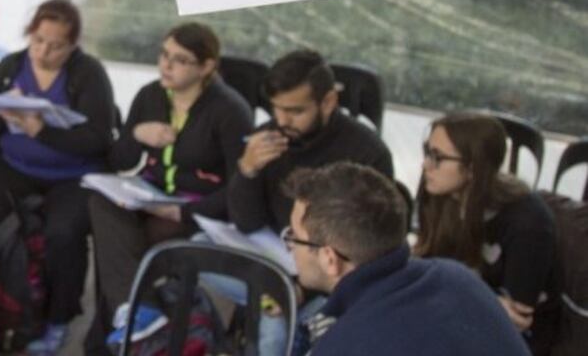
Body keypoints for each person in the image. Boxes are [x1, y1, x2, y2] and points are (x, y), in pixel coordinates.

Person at [87, 22, 252, 353]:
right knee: (99, 203)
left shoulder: (230, 110)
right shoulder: (150, 95)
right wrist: (136, 135)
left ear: (206, 67)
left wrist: (182, 210)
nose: (166, 65)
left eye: (179, 59)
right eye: (163, 54)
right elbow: (117, 161)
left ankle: (118, 330)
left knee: (122, 251)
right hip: (149, 194)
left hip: (197, 208)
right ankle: (139, 318)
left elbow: (241, 189)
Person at [0, 0, 116, 355]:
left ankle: (59, 319)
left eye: (55, 45)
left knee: (63, 234)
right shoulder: (11, 66)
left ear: (73, 45)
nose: (43, 52)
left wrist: (40, 130)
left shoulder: (88, 73)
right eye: (37, 40)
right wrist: (6, 109)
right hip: (15, 169)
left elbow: (98, 139)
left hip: (74, 175)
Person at [225, 49, 393, 355]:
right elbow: (247, 222)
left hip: (329, 279)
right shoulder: (269, 137)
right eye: (275, 109)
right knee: (192, 250)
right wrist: (247, 171)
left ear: (328, 102)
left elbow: (369, 250)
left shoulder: (367, 152)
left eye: (295, 111)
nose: (281, 120)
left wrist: (300, 286)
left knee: (275, 328)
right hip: (273, 258)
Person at [283, 162, 530, 356]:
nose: (290, 244)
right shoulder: (457, 276)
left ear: (329, 259)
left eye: (294, 236)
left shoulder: (347, 344)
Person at [415, 112, 560, 355]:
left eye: (437, 157)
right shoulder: (439, 193)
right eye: (427, 151)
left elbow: (515, 320)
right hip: (456, 312)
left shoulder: (528, 224)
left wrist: (448, 290)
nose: (425, 164)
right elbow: (426, 261)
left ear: (473, 168)